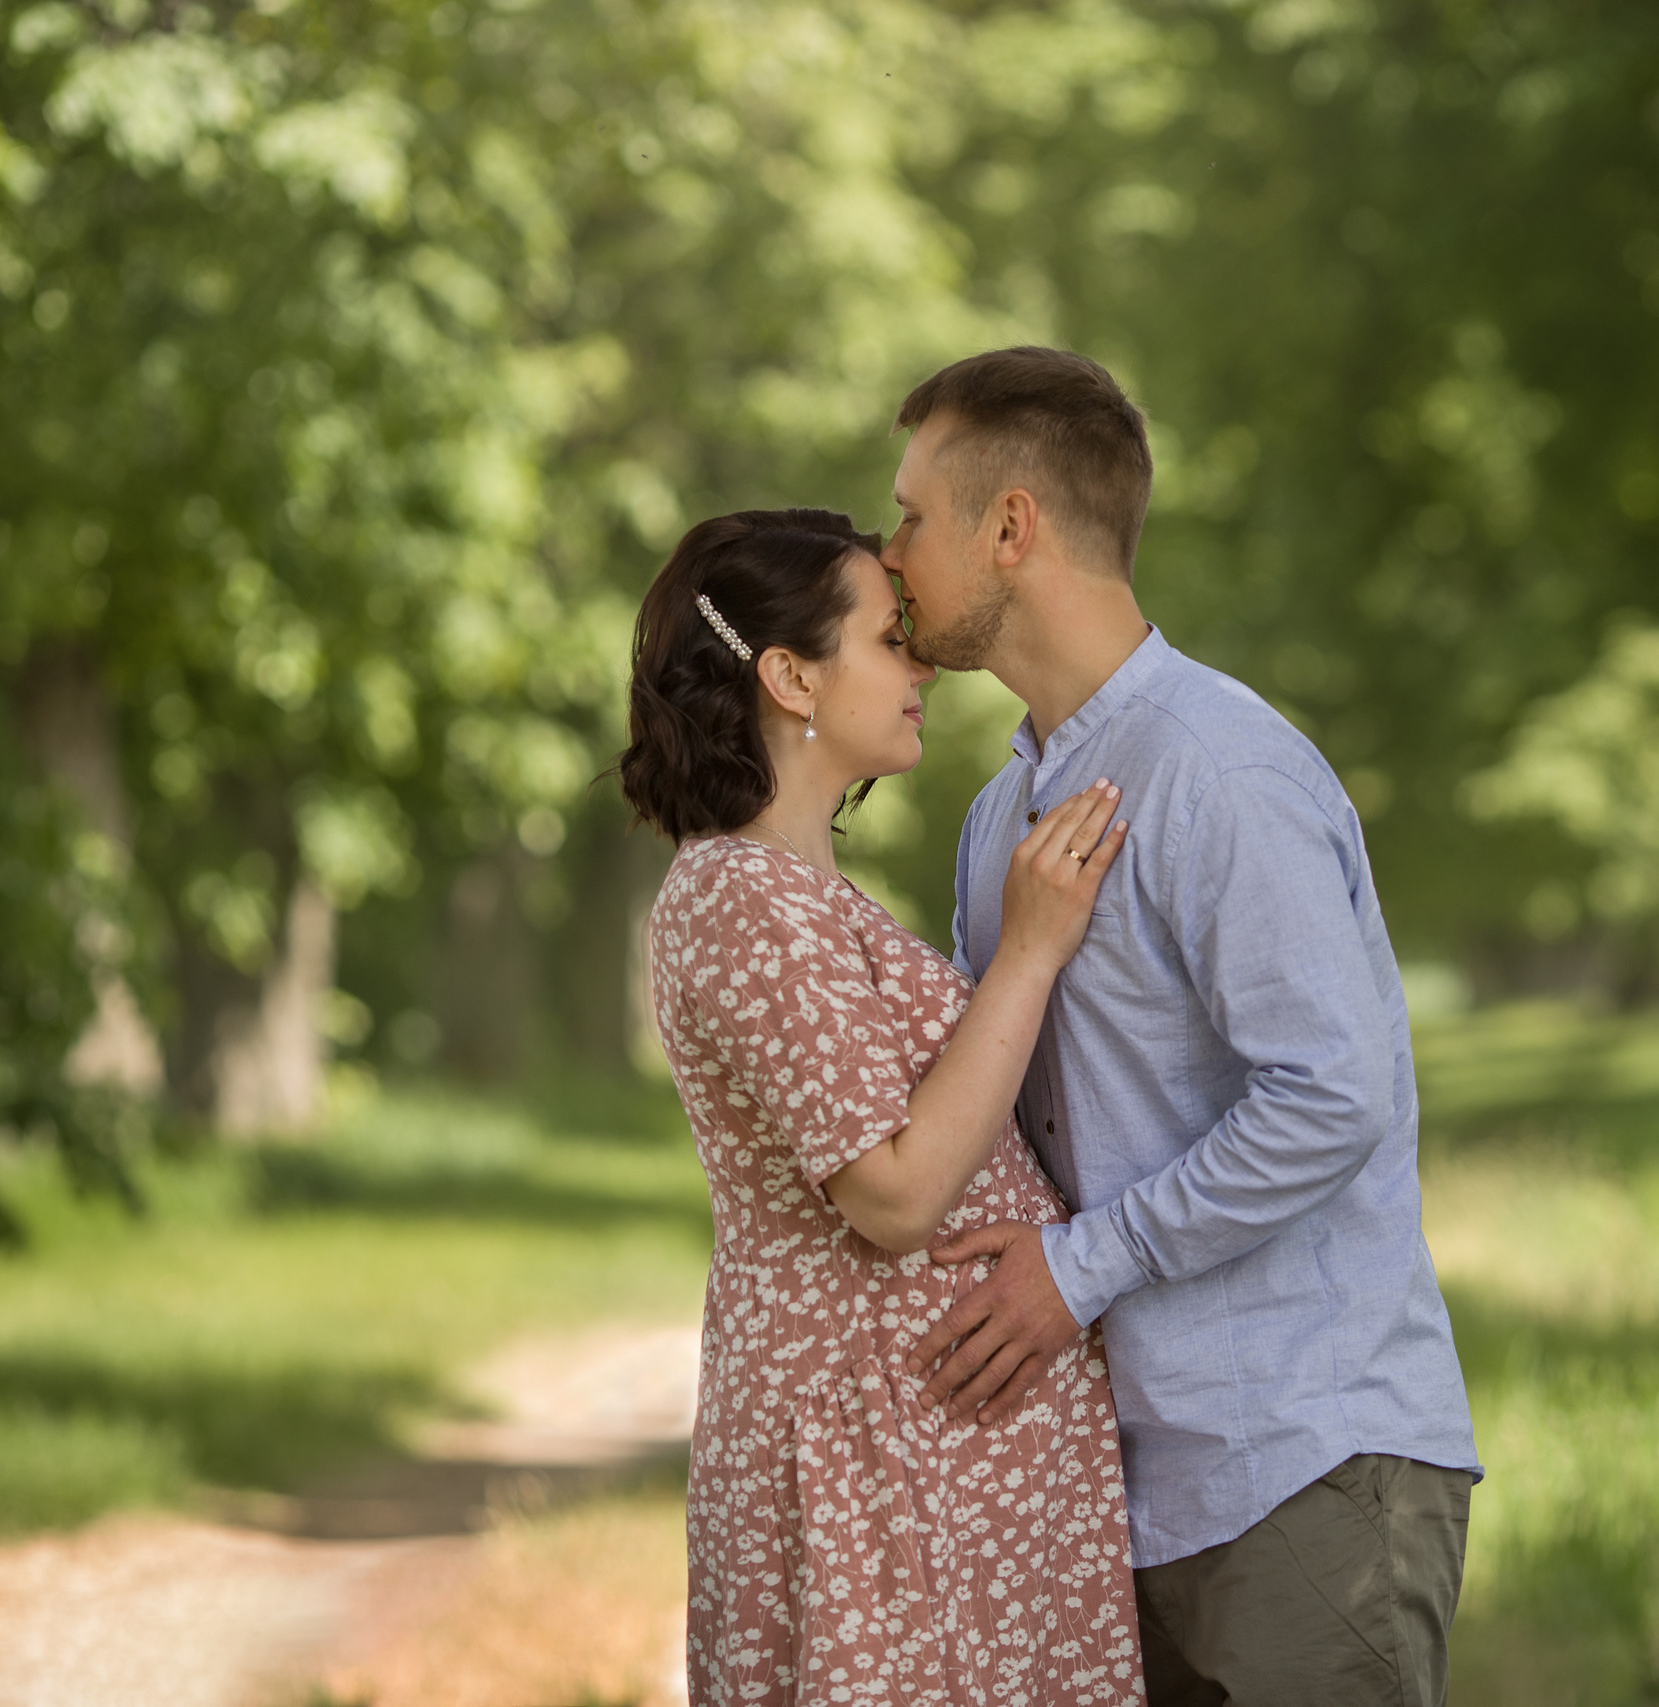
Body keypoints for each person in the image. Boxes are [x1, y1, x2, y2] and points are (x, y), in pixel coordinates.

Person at [883, 349, 1484, 1707]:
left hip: (1304, 1459)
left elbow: (1334, 1096)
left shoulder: (1219, 766)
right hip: (1123, 1488)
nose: (891, 550)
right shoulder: (999, 821)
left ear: (1013, 528)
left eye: (914, 515)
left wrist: (1080, 1266)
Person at [618, 507, 1145, 1706]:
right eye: (887, 641)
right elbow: (895, 1195)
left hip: (927, 1453)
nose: (921, 671)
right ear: (791, 675)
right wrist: (1030, 952)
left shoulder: (800, 894)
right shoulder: (739, 901)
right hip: (868, 1462)